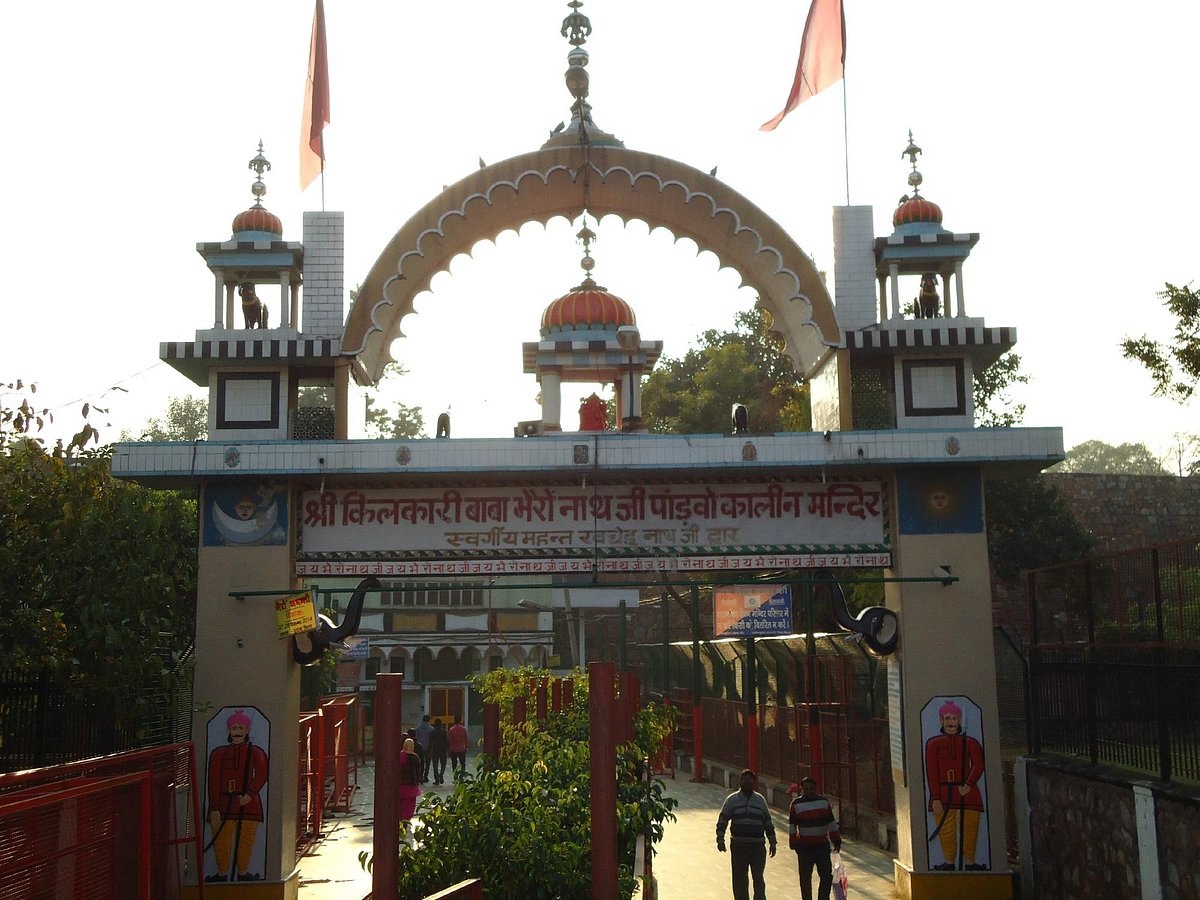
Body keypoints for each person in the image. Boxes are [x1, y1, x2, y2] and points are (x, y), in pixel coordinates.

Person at [206, 709, 269, 883]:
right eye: (234, 728)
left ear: (247, 730)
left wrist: (250, 793)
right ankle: (222, 874)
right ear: (229, 731)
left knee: (246, 838)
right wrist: (214, 807)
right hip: (224, 802)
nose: (238, 732)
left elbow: (263, 773)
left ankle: (242, 873)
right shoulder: (218, 754)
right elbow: (213, 781)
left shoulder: (256, 751)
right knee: (221, 839)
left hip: (248, 803)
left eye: (241, 728)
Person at [924, 700, 987, 870]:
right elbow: (932, 771)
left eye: (954, 718)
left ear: (959, 720)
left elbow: (979, 765)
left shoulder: (971, 742)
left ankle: (971, 862)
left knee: (970, 828)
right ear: (941, 720)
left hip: (967, 792)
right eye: (947, 718)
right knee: (946, 829)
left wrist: (968, 784)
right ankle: (950, 862)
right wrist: (935, 797)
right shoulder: (933, 744)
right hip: (943, 792)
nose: (951, 722)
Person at [715, 768, 777, 900]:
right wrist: (720, 839)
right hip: (739, 846)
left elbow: (768, 822)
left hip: (757, 847)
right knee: (739, 878)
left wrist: (773, 842)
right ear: (740, 782)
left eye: (751, 780)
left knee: (758, 878)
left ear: (754, 783)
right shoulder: (732, 800)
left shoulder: (760, 800)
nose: (748, 783)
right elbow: (723, 820)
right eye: (745, 780)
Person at [788, 776, 842, 900]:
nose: (809, 791)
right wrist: (793, 843)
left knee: (826, 876)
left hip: (822, 845)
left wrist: (836, 841)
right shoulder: (796, 805)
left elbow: (831, 824)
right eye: (806, 789)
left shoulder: (824, 803)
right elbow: (792, 826)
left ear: (816, 788)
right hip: (804, 847)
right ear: (802, 790)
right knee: (805, 878)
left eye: (811, 788)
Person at [397, 737, 423, 842]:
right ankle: (405, 821)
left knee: (400, 805)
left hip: (400, 786)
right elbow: (418, 772)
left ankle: (400, 820)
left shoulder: (399, 756)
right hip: (411, 786)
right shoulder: (415, 758)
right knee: (409, 806)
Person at [427, 719, 449, 785]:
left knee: (435, 765)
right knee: (443, 764)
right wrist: (447, 749)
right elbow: (446, 740)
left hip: (435, 750)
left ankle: (437, 780)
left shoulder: (433, 732)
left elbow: (430, 742)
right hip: (443, 750)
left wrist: (429, 750)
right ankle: (441, 774)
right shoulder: (444, 731)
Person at [415, 715, 434, 784]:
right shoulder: (431, 729)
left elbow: (416, 738)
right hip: (428, 748)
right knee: (427, 763)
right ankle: (425, 776)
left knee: (420, 763)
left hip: (419, 748)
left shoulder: (417, 728)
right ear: (428, 720)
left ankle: (420, 776)